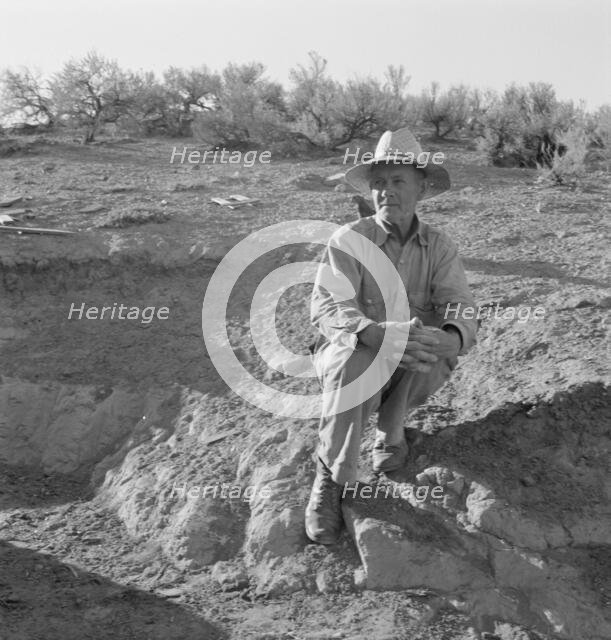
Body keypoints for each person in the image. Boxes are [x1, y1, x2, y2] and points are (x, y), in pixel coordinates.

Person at [306, 127, 478, 544]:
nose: (386, 191)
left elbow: (459, 304)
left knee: (433, 347)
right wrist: (372, 332)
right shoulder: (349, 239)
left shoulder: (438, 246)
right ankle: (331, 475)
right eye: (379, 183)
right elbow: (328, 306)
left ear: (420, 188)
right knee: (358, 359)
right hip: (353, 350)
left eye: (398, 181)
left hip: (404, 357)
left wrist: (454, 337)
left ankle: (391, 431)